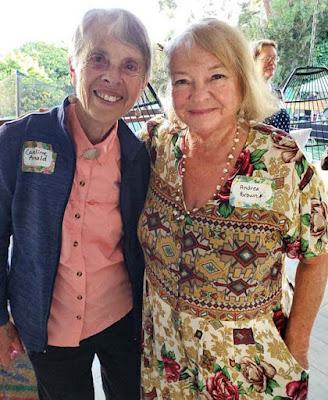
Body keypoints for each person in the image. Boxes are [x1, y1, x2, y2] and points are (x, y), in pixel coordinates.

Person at [138, 19, 328, 399]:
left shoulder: (280, 161)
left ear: (242, 80)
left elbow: (317, 254)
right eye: (182, 80)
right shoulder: (157, 144)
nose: (198, 94)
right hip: (165, 360)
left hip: (247, 366)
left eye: (216, 76)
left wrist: (299, 347)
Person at [0, 8, 150, 400]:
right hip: (48, 325)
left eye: (129, 65)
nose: (112, 77)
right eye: (98, 58)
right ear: (73, 65)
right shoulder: (17, 141)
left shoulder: (141, 158)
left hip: (122, 317)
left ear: (143, 80)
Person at [253, 39, 291, 132]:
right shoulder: (247, 95)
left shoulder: (277, 93)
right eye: (267, 58)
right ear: (253, 62)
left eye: (274, 58)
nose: (272, 62)